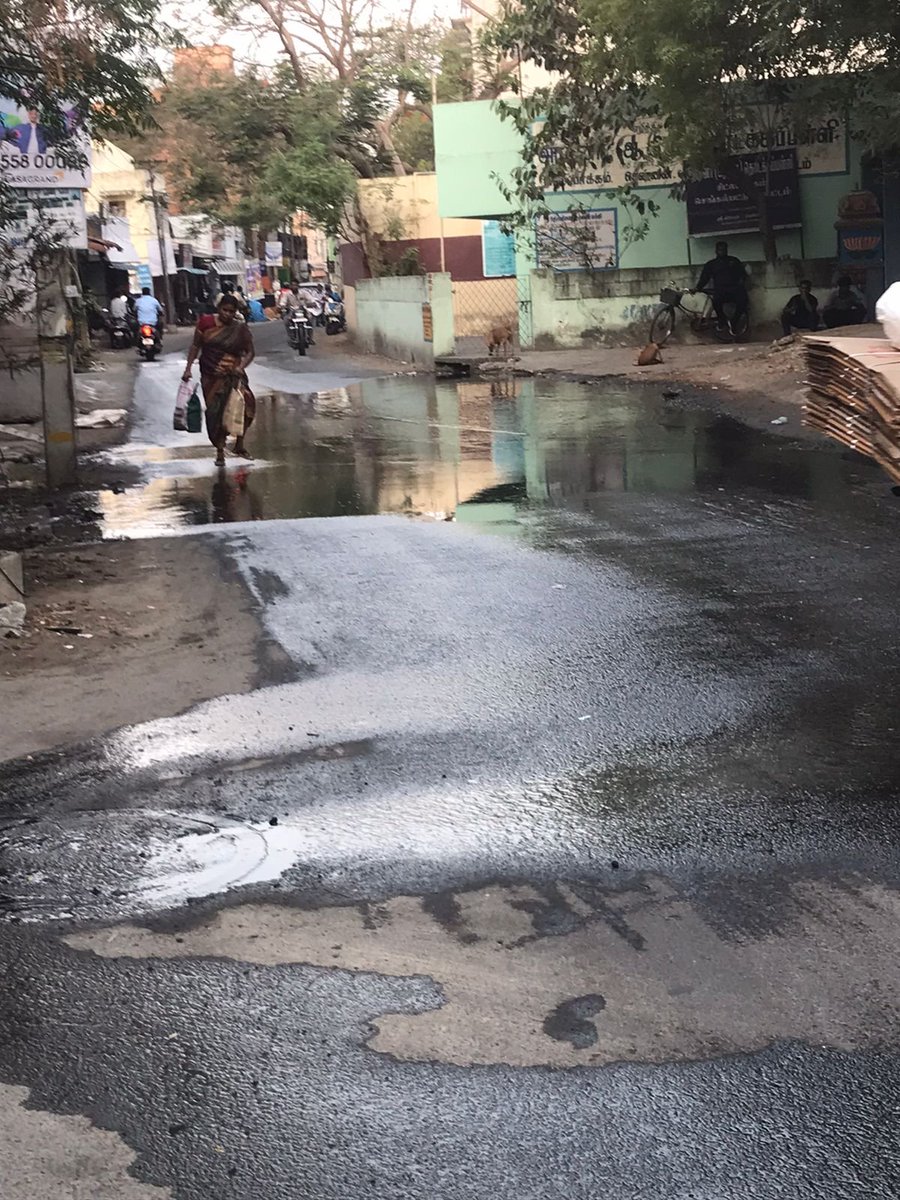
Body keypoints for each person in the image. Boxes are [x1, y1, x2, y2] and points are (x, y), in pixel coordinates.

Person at [182, 295, 257, 467]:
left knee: (246, 406)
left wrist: (241, 366)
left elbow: (250, 352)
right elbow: (195, 346)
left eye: (232, 311)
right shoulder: (205, 323)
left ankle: (240, 444)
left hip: (234, 375)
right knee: (215, 413)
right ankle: (220, 451)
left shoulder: (240, 329)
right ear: (219, 308)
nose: (228, 314)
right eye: (225, 310)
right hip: (211, 374)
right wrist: (188, 369)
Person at [695, 241, 749, 332]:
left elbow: (743, 275)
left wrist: (741, 283)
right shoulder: (711, 264)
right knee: (715, 302)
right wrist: (698, 288)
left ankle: (734, 321)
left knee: (744, 301)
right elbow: (705, 278)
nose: (722, 252)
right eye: (720, 250)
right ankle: (722, 319)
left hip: (735, 289)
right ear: (716, 251)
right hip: (721, 290)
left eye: (724, 250)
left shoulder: (734, 261)